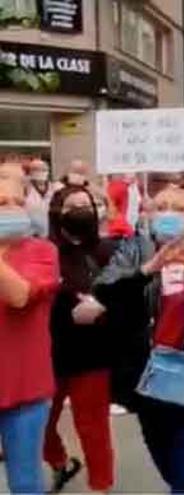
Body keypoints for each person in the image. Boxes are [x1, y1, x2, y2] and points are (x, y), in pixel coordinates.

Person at [93, 185, 184, 493]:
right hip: (146, 368)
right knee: (162, 449)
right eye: (162, 206)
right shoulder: (134, 249)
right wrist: (147, 269)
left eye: (180, 208)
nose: (169, 213)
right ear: (150, 214)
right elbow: (105, 289)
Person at [44, 185, 116, 493]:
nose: (81, 212)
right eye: (72, 206)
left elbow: (127, 296)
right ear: (57, 213)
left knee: (93, 428)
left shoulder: (109, 252)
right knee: (38, 424)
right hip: (48, 354)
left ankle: (101, 485)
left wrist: (103, 307)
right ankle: (60, 461)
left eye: (86, 205)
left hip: (93, 355)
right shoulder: (45, 251)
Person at [0, 166, 60, 494]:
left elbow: (19, 295)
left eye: (16, 202)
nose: (9, 208)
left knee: (24, 482)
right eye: (0, 202)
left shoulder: (42, 252)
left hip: (24, 389)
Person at [24, 158, 54, 238]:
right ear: (30, 172)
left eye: (44, 169)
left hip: (50, 231)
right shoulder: (25, 187)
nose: (41, 172)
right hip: (30, 232)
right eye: (36, 169)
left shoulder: (53, 187)